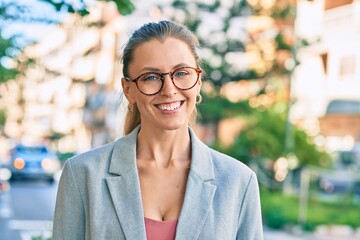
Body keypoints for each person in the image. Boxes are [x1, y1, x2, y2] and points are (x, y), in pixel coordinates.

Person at [53, 20, 263, 240]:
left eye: (181, 73)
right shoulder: (82, 175)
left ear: (198, 81)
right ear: (128, 90)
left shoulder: (238, 181)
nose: (169, 90)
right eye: (151, 77)